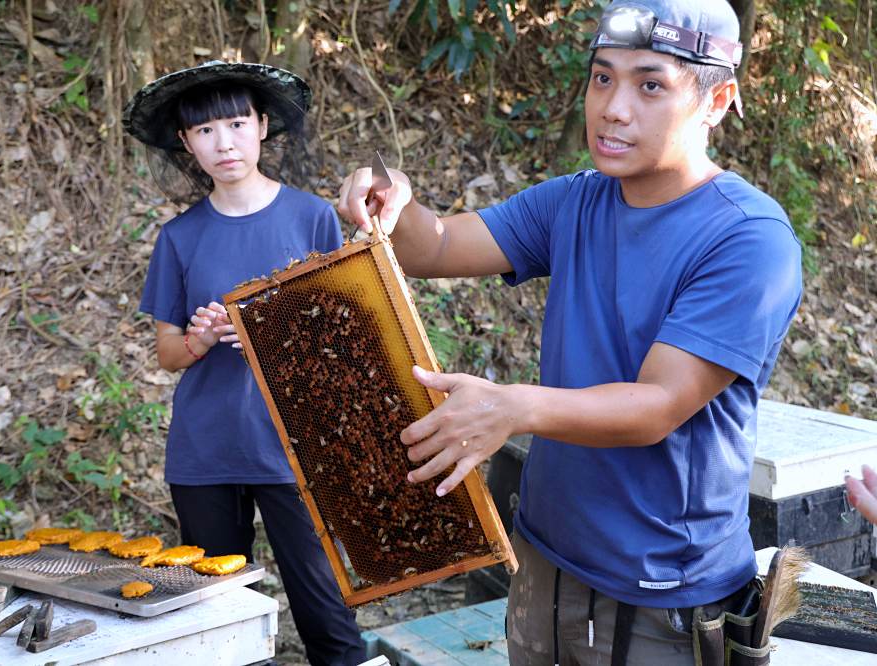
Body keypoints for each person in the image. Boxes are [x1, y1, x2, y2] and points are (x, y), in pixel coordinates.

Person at [338, 1, 802, 663]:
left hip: (663, 594)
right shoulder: (573, 201)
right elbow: (434, 248)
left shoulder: (747, 239)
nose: (613, 108)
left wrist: (513, 407)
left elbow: (657, 406)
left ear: (717, 100)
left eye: (650, 85)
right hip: (543, 562)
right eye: (602, 78)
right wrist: (397, 196)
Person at [123, 61, 366, 665]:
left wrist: (266, 326)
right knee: (213, 621)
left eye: (236, 123)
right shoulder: (179, 237)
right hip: (205, 451)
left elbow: (338, 336)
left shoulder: (311, 217)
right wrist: (202, 340)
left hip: (293, 445)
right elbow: (167, 352)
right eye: (205, 131)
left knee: (327, 612)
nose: (223, 142)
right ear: (186, 143)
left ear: (262, 126)